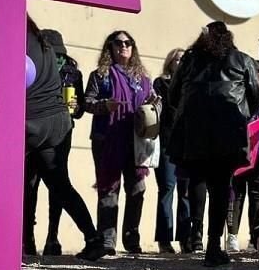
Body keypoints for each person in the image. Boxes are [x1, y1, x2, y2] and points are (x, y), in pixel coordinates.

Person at [0, 17, 107, 264]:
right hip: (57, 122)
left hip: (28, 123)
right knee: (60, 184)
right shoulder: (44, 44)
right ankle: (94, 240)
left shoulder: (8, 39)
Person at [168, 22, 259, 267]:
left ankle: (195, 237)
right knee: (221, 188)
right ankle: (212, 246)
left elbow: (172, 95)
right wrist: (240, 116)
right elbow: (255, 95)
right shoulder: (242, 60)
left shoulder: (189, 60)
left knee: (197, 181)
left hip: (194, 131)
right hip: (228, 132)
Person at [84, 31, 156, 255]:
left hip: (135, 140)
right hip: (107, 139)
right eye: (118, 43)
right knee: (108, 189)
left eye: (128, 43)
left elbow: (151, 102)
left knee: (137, 189)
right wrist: (105, 105)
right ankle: (107, 240)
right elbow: (87, 102)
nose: (123, 46)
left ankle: (131, 239)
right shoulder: (100, 75)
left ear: (133, 48)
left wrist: (155, 104)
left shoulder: (143, 79)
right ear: (110, 48)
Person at [23, 29, 85, 257]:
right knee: (29, 184)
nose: (57, 59)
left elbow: (81, 109)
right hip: (34, 127)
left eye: (61, 55)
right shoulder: (32, 65)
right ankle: (27, 237)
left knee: (56, 185)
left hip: (61, 131)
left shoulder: (72, 73)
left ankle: (53, 236)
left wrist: (76, 107)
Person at [227, 61, 259, 252]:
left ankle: (254, 238)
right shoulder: (240, 95)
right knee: (236, 195)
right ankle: (231, 237)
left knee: (258, 198)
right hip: (241, 154)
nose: (256, 75)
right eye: (253, 72)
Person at [153, 48, 191, 254]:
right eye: (178, 59)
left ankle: (186, 239)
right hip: (167, 143)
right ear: (170, 62)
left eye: (184, 59)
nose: (181, 62)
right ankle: (164, 240)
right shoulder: (161, 83)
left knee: (185, 193)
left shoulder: (191, 84)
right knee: (167, 188)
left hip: (187, 146)